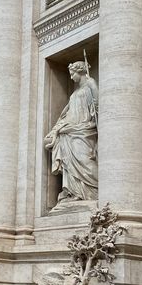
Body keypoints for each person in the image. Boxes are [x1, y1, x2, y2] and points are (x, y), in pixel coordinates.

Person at [44, 60, 99, 204]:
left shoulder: (91, 83)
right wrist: (58, 126)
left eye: (72, 74)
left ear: (80, 71)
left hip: (84, 128)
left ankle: (93, 190)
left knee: (84, 159)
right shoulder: (75, 92)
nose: (71, 77)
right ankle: (74, 192)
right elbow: (66, 111)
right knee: (69, 161)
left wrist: (94, 117)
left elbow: (97, 103)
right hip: (71, 127)